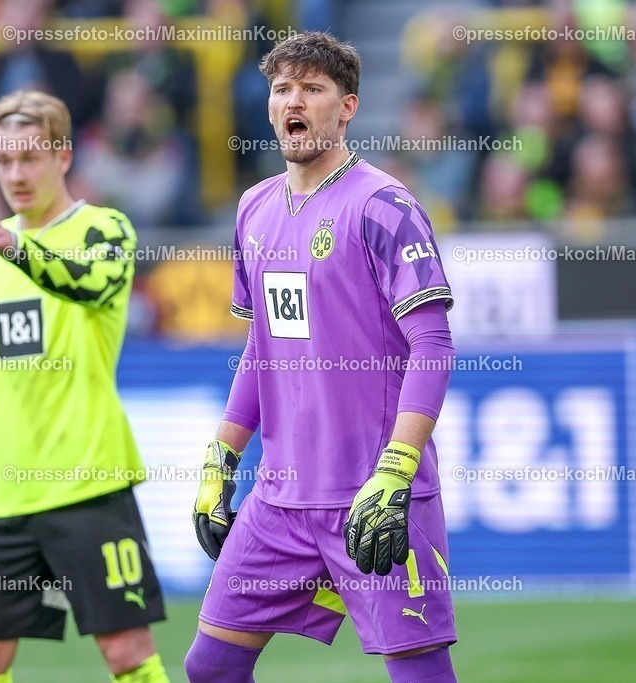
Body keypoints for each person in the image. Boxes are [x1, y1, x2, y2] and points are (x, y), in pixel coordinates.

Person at [186, 32, 458, 682]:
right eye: (283, 88)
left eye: (313, 88)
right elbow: (264, 348)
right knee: (211, 666)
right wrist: (222, 457)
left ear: (348, 107)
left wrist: (396, 468)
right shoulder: (253, 209)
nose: (294, 100)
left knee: (420, 674)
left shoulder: (384, 207)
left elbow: (434, 342)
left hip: (373, 493)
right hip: (279, 499)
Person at [0, 90, 170, 683]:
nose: (15, 174)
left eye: (29, 158)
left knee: (126, 650)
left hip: (88, 482)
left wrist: (18, 248)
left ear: (63, 156)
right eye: (3, 161)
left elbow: (91, 283)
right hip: (3, 492)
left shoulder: (105, 230)